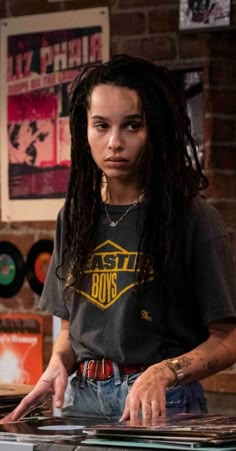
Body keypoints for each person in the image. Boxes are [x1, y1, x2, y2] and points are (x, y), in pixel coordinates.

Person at [2, 54, 236, 424]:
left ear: (154, 129)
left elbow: (228, 338)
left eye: (131, 126)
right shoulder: (76, 215)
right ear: (85, 131)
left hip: (161, 403)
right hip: (82, 401)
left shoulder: (194, 218)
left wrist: (165, 372)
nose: (114, 142)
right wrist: (56, 365)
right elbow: (77, 328)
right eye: (101, 126)